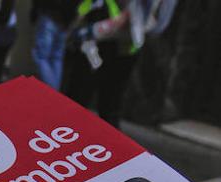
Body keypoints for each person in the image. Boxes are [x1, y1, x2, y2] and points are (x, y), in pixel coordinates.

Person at [62, 0, 177, 128]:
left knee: (82, 97)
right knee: (108, 104)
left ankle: (64, 136)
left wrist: (90, 31)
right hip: (124, 45)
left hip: (102, 41)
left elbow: (129, 17)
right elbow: (158, 24)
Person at [30, 0, 78, 89]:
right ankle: (54, 93)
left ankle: (52, 92)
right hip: (65, 20)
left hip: (49, 13)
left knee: (41, 57)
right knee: (56, 58)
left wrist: (35, 11)